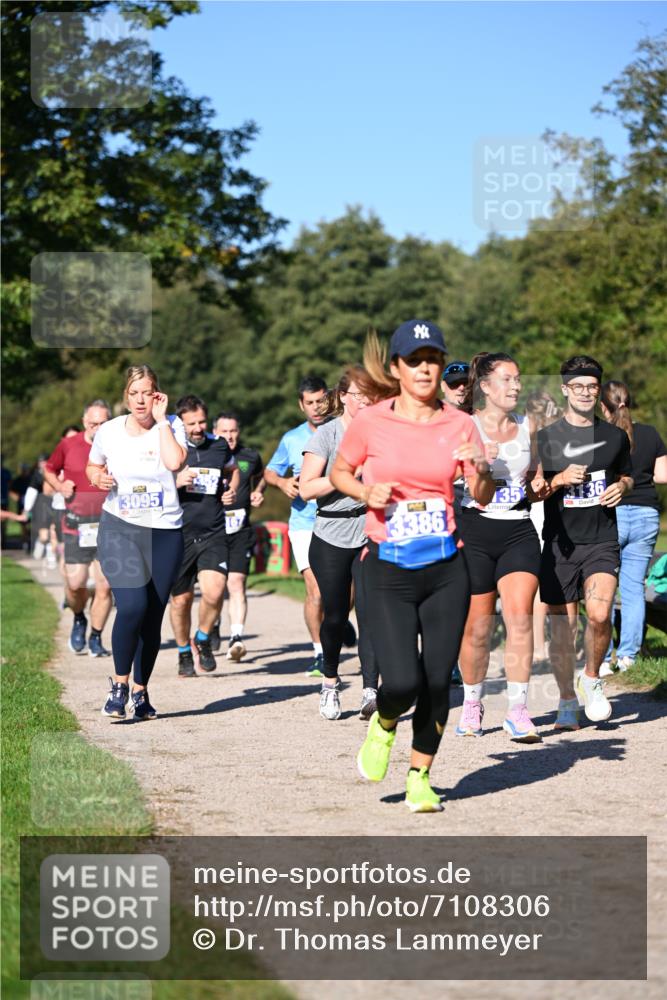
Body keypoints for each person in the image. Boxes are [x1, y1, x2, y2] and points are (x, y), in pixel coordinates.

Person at [331, 320, 494, 813]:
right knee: (400, 682)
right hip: (388, 569)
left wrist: (481, 470)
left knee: (436, 678)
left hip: (446, 566)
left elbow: (482, 496)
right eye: (415, 359)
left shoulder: (461, 424)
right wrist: (363, 491)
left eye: (433, 359)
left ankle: (420, 775)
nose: (425, 368)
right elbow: (339, 471)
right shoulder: (372, 422)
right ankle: (383, 723)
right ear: (398, 368)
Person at [537, 356, 633, 729]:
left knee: (599, 614)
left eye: (592, 386)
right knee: (563, 629)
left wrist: (621, 487)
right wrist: (559, 479)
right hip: (562, 543)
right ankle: (565, 701)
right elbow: (532, 493)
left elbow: (626, 475)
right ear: (565, 389)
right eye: (578, 386)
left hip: (601, 539)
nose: (586, 392)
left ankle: (591, 677)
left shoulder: (614, 437)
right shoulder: (546, 438)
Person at [86, 365, 187, 721]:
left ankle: (141, 694)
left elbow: (175, 462)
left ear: (158, 394)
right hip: (120, 529)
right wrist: (97, 476)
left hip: (164, 532)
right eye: (134, 393)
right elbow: (92, 466)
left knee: (153, 615)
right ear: (125, 396)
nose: (141, 400)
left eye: (147, 392)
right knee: (131, 605)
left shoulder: (172, 425)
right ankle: (119, 686)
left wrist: (161, 422)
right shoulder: (110, 431)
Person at [454, 353, 546, 742]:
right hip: (473, 531)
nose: (516, 386)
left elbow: (536, 476)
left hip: (518, 530)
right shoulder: (464, 427)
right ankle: (472, 702)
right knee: (477, 627)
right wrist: (480, 466)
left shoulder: (530, 425)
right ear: (486, 387)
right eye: (507, 380)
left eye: (518, 379)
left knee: (520, 617)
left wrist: (540, 484)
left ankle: (517, 710)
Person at [299, 363, 385, 721]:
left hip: (369, 530)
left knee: (371, 613)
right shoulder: (327, 435)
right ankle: (331, 683)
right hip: (331, 533)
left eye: (369, 395)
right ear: (342, 398)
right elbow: (306, 488)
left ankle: (370, 691)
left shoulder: (383, 433)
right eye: (356, 395)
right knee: (335, 615)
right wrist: (344, 477)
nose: (363, 401)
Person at [599, 380, 667, 673]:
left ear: (604, 406)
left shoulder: (600, 436)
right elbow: (663, 475)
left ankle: (601, 659)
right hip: (646, 516)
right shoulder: (650, 433)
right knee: (633, 589)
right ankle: (628, 658)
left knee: (602, 587)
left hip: (611, 514)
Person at [169, 396, 239, 677]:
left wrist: (231, 489)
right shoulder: (171, 449)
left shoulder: (219, 445)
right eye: (191, 423)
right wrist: (175, 482)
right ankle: (184, 651)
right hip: (178, 534)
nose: (198, 428)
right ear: (180, 423)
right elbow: (149, 483)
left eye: (201, 422)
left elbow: (234, 470)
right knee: (181, 601)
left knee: (214, 591)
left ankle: (203, 637)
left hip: (213, 531)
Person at [265, 376, 328, 676]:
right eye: (310, 403)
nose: (316, 407)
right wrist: (282, 482)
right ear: (301, 405)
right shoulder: (292, 438)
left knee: (345, 592)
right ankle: (320, 653)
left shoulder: (344, 432)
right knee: (314, 590)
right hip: (304, 522)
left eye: (321, 400)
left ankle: (336, 621)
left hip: (342, 522)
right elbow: (269, 472)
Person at [44, 401, 113, 656]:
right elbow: (49, 469)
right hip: (76, 526)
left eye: (103, 423)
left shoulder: (117, 444)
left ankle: (96, 636)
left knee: (105, 585)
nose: (98, 428)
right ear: (85, 422)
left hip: (109, 525)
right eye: (93, 423)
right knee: (75, 584)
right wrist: (60, 486)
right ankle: (78, 617)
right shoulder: (69, 445)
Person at [211, 411, 266, 661]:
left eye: (233, 431)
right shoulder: (207, 454)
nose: (229, 436)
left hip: (240, 530)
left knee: (236, 583)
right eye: (224, 431)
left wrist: (258, 491)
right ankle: (211, 622)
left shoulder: (250, 456)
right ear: (215, 432)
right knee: (215, 587)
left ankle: (236, 637)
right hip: (211, 531)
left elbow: (262, 476)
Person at [525, 390, 563, 664]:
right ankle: (541, 644)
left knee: (546, 580)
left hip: (547, 508)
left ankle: (542, 644)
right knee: (546, 579)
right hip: (542, 508)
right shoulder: (544, 439)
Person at [440, 359, 470, 686]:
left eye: (465, 383)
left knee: (462, 588)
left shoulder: (477, 420)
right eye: (454, 383)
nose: (460, 388)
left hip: (471, 510)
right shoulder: (433, 419)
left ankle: (454, 660)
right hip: (440, 507)